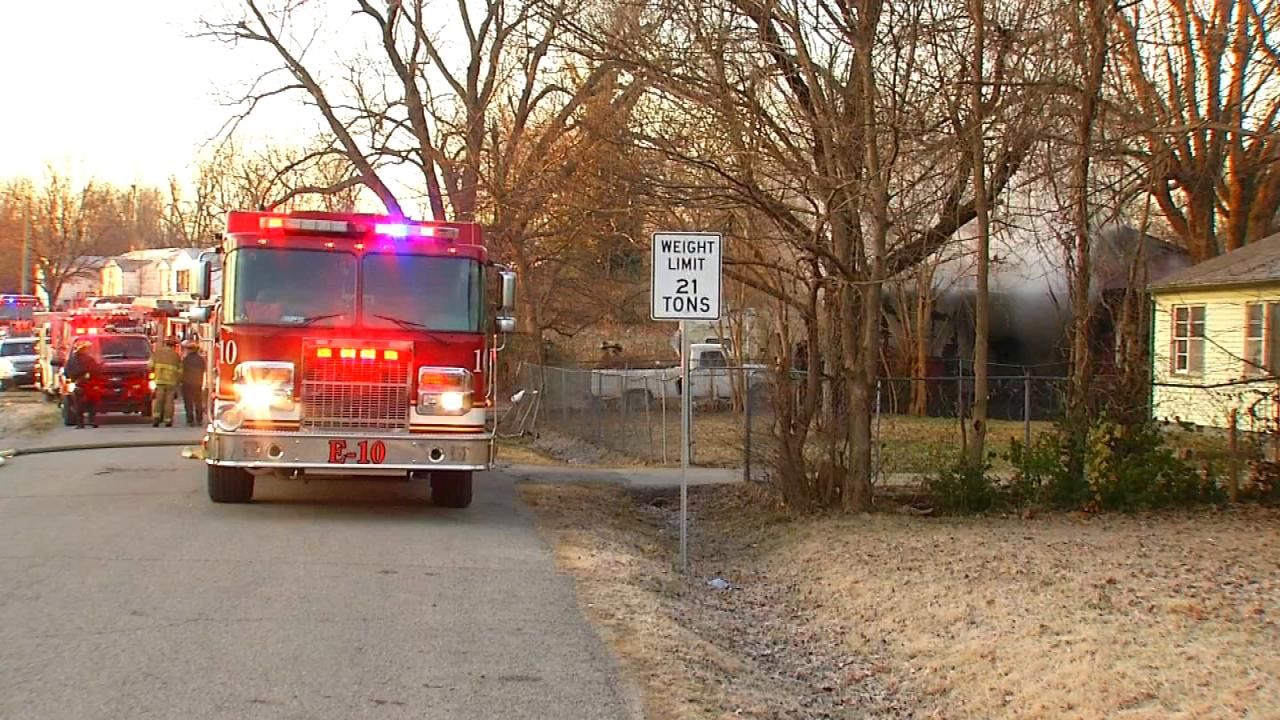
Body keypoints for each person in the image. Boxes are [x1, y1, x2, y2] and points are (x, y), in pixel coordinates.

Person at [63, 340, 102, 429]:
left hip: (78, 385)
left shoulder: (71, 360)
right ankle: (91, 421)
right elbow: (96, 370)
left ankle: (80, 424)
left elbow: (66, 372)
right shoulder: (89, 359)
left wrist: (71, 379)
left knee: (78, 405)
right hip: (88, 385)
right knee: (91, 403)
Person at [149, 337, 182, 427]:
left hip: (159, 381)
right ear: (174, 346)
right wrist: (178, 382)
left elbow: (150, 366)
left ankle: (156, 418)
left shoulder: (157, 353)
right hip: (171, 383)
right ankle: (168, 420)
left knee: (158, 400)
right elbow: (180, 371)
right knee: (169, 402)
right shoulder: (176, 356)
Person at [181, 341, 207, 427]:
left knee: (188, 403)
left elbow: (182, 371)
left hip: (187, 383)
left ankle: (190, 420)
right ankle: (199, 419)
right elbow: (204, 370)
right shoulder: (201, 360)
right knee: (198, 402)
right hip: (197, 383)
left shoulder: (186, 359)